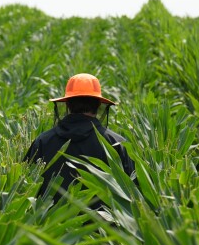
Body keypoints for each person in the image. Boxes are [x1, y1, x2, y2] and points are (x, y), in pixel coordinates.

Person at [24, 73, 134, 208]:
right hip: (104, 227)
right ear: (99, 105)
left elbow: (26, 188)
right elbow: (133, 193)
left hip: (51, 227)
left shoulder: (43, 142)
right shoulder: (116, 144)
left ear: (68, 104)